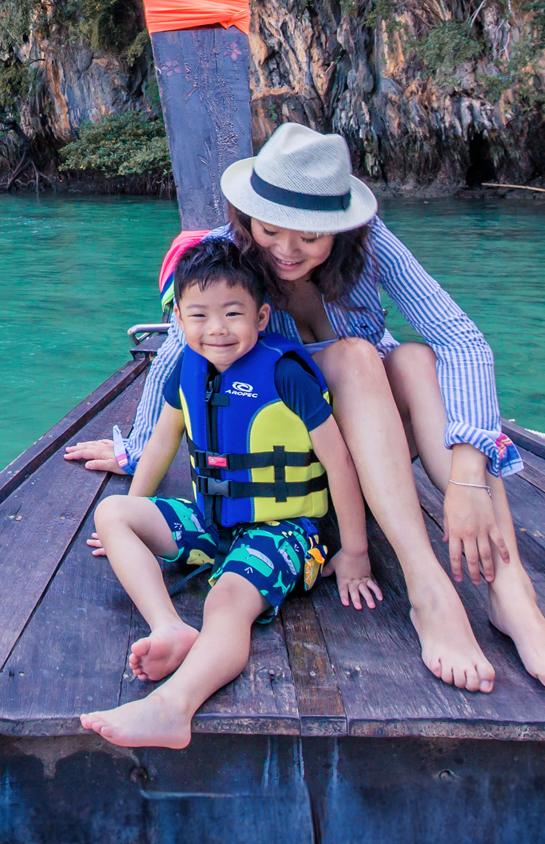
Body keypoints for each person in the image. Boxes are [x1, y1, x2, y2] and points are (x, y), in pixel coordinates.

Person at [65, 122, 545, 696]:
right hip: (303, 457)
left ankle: (512, 595)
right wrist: (136, 449)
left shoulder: (369, 242)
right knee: (360, 357)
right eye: (271, 231)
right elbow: (177, 358)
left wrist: (467, 479)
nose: (287, 251)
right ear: (249, 219)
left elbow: (463, 341)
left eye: (310, 237)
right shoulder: (226, 259)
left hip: (378, 437)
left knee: (414, 359)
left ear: (339, 229)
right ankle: (428, 590)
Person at [79, 240, 377, 749]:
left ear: (261, 316)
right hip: (211, 521)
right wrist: (140, 512)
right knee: (113, 512)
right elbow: (160, 445)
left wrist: (355, 552)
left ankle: (173, 707)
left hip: (283, 532)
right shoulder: (186, 369)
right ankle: (169, 628)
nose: (216, 328)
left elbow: (340, 463)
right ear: (177, 316)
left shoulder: (285, 373)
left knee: (226, 602)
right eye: (198, 314)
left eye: (232, 313)